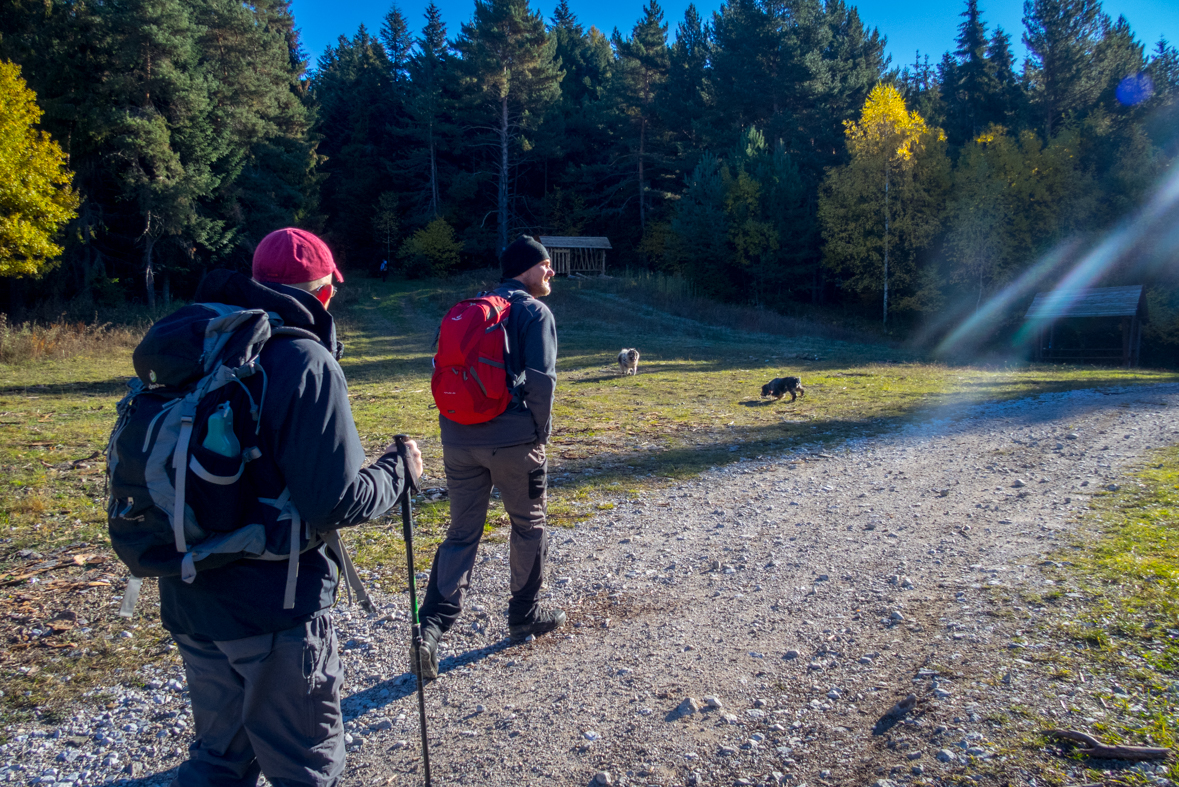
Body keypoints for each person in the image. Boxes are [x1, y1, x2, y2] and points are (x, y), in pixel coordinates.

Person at [162, 227, 422, 787]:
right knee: (305, 765)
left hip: (188, 588)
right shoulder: (304, 360)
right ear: (324, 292)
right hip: (274, 610)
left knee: (218, 759)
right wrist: (400, 470)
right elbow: (337, 502)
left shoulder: (202, 341)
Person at [413, 235, 564, 679]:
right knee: (528, 524)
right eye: (546, 265)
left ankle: (430, 630)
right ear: (527, 269)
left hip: (459, 440)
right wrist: (539, 433)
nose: (551, 272)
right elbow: (542, 381)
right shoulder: (534, 311)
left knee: (461, 533)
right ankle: (523, 616)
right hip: (514, 441)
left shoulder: (471, 309)